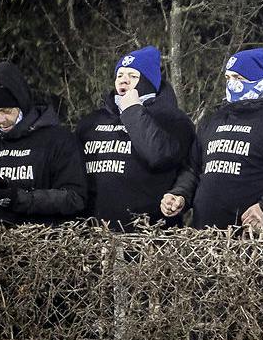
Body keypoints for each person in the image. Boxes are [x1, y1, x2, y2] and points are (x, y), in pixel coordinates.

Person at [163, 49, 263, 230]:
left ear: (258, 80)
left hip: (259, 244)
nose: (232, 85)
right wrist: (180, 194)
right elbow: (193, 169)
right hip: (207, 243)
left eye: (239, 78)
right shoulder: (215, 119)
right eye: (228, 78)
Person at [75, 46, 196, 228]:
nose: (124, 80)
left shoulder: (173, 120)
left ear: (147, 82)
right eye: (120, 75)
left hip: (148, 234)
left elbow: (158, 155)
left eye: (133, 76)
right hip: (94, 233)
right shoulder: (91, 122)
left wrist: (132, 110)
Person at [0, 61, 86, 225]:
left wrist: (18, 197)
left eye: (7, 111)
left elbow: (75, 199)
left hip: (43, 243)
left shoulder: (59, 140)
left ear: (22, 105)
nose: (0, 120)